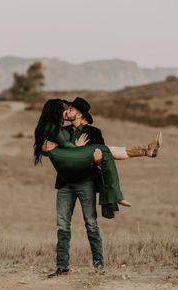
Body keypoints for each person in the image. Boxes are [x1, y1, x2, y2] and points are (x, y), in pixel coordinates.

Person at [34, 97, 162, 277]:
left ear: (79, 113)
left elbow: (101, 157)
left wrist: (97, 159)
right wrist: (44, 149)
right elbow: (55, 153)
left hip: (85, 182)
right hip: (64, 184)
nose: (67, 111)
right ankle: (62, 267)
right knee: (62, 226)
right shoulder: (60, 131)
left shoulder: (93, 132)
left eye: (70, 109)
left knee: (91, 224)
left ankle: (99, 267)